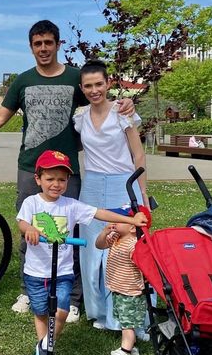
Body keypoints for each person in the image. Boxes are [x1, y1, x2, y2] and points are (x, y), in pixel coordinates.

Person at [0, 19, 135, 318]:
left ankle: (71, 297)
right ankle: (27, 289)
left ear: (58, 45)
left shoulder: (75, 78)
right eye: (37, 43)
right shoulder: (22, 81)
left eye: (48, 43)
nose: (43, 48)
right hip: (30, 167)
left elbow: (101, 100)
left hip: (65, 170)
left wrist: (126, 104)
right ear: (31, 47)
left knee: (69, 230)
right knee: (29, 230)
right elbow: (1, 116)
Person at [16, 150, 147, 355]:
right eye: (50, 179)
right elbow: (22, 223)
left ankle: (46, 345)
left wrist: (131, 220)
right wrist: (30, 229)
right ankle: (44, 347)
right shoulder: (31, 202)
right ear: (38, 179)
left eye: (61, 179)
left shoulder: (71, 205)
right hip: (36, 271)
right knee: (41, 312)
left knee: (61, 312)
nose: (56, 184)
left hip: (62, 272)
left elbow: (99, 213)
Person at [73, 60, 149, 332]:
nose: (94, 90)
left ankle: (126, 318)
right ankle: (100, 313)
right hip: (91, 185)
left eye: (99, 84)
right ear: (82, 88)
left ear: (108, 84)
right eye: (88, 86)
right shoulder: (80, 117)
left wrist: (142, 195)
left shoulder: (122, 113)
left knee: (122, 249)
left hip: (121, 184)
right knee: (92, 250)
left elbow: (138, 155)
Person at [96, 220, 145, 355]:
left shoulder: (134, 245)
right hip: (118, 289)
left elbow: (143, 265)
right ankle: (132, 346)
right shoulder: (116, 238)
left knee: (127, 324)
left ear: (133, 228)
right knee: (124, 320)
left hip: (130, 291)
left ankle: (125, 350)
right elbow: (99, 245)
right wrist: (104, 232)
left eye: (120, 221)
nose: (114, 222)